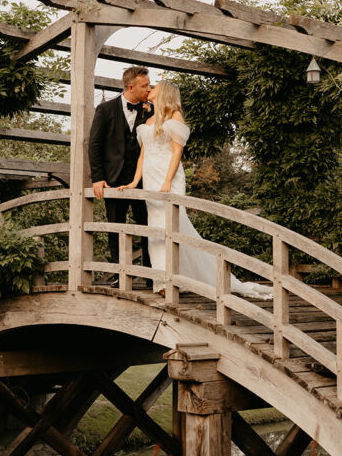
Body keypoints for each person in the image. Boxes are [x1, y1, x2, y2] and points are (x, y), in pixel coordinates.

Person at [119, 80, 273, 299]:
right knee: (155, 231)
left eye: (154, 87)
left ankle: (173, 279)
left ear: (165, 93)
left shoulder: (175, 118)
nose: (150, 89)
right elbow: (143, 155)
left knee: (171, 228)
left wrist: (167, 181)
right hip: (150, 178)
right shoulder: (150, 119)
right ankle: (162, 280)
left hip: (168, 176)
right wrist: (135, 182)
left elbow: (176, 153)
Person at [88, 65, 153, 285]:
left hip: (143, 179)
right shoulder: (105, 109)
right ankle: (120, 273)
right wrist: (97, 177)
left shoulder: (150, 110)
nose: (149, 89)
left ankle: (150, 274)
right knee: (115, 225)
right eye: (145, 85)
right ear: (130, 86)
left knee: (147, 225)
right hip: (113, 179)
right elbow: (95, 145)